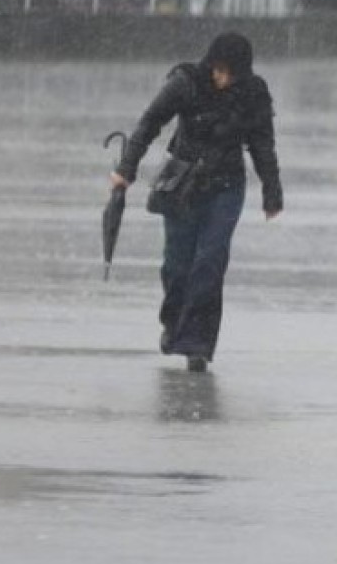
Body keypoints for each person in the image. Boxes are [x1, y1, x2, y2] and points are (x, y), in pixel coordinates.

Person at [109, 32, 283, 373]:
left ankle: (198, 344)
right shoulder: (185, 83)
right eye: (217, 70)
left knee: (210, 262)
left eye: (229, 72)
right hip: (182, 185)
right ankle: (174, 323)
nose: (222, 78)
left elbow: (263, 144)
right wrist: (126, 169)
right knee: (177, 265)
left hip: (227, 187)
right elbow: (150, 122)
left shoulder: (253, 94)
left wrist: (272, 192)